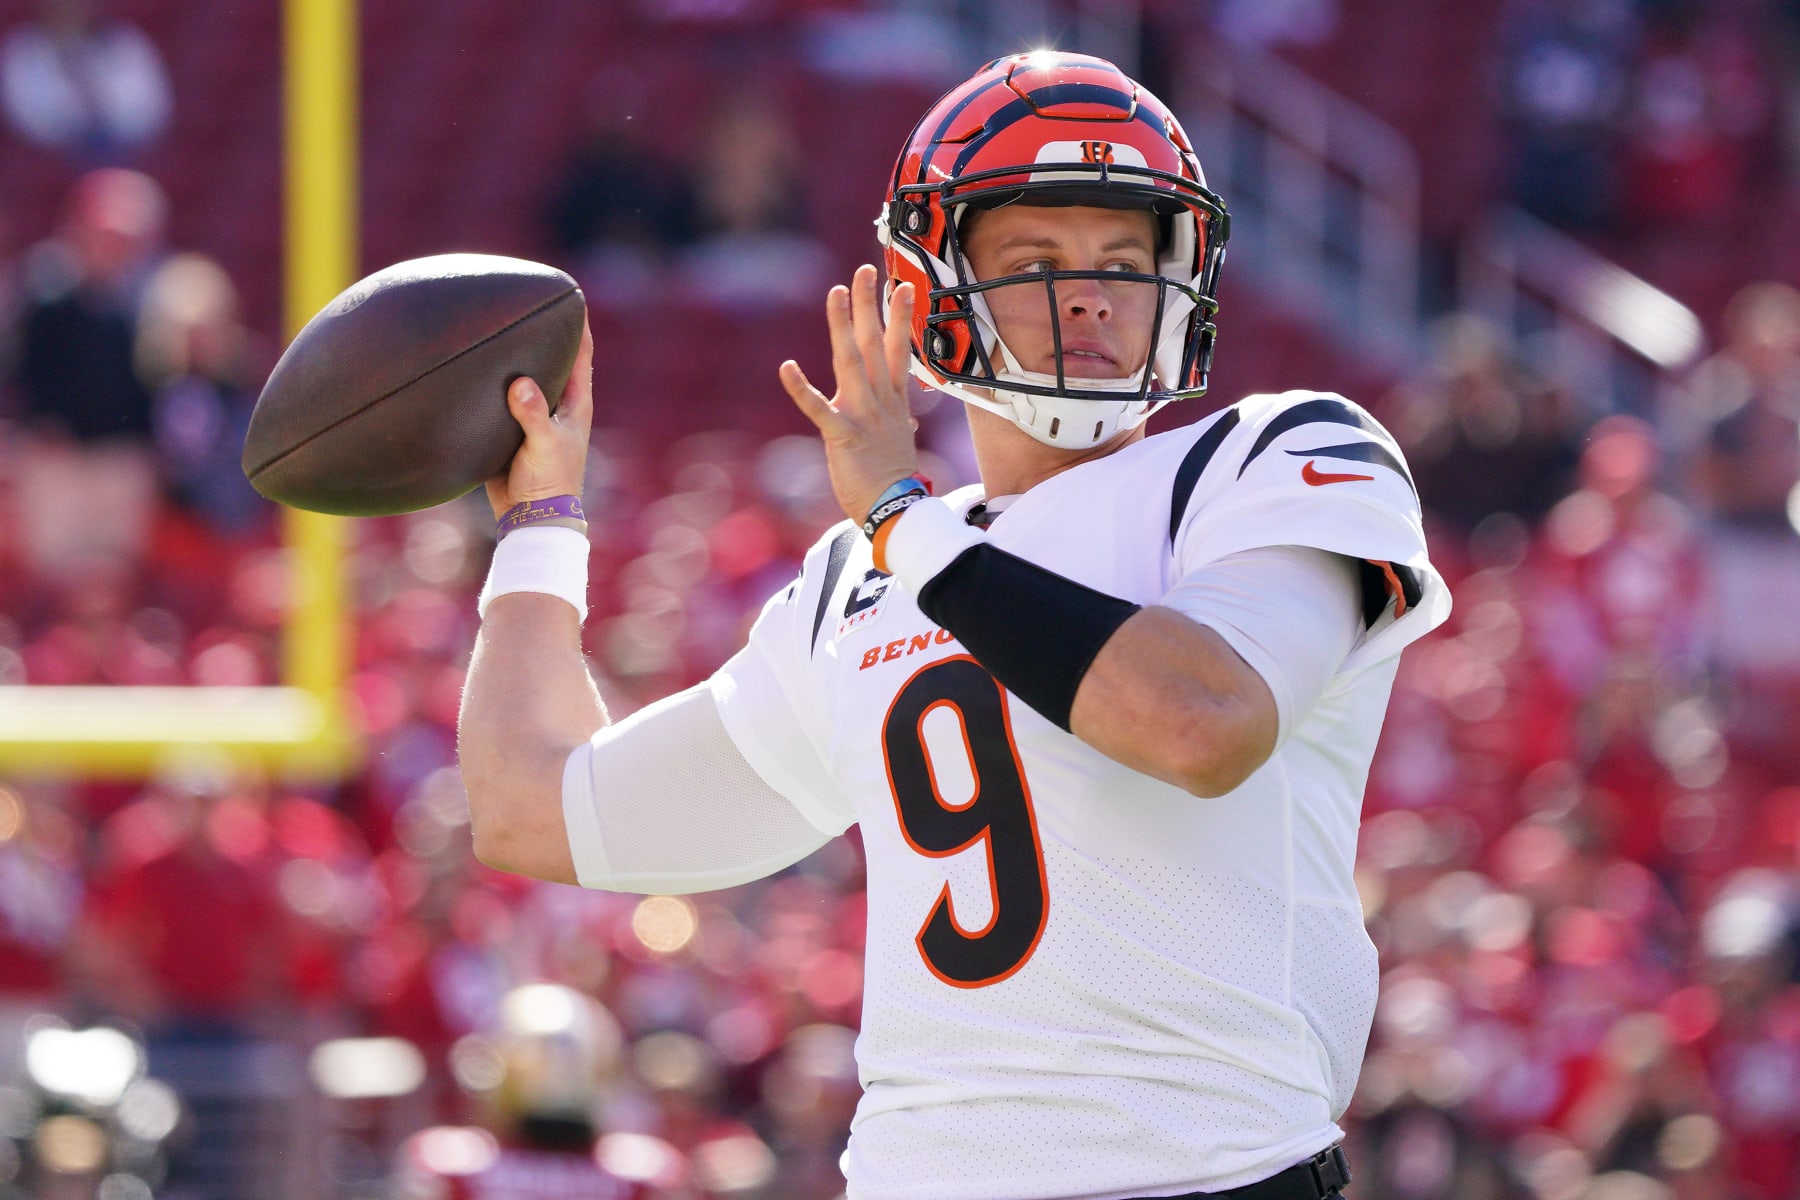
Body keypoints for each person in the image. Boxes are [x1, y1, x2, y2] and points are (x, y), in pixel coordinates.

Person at [459, 52, 1451, 1200]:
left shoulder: (1265, 457)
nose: (1093, 296)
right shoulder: (855, 583)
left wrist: (903, 520)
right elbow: (538, 811)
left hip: (1208, 1177)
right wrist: (540, 519)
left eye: (1127, 261)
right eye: (1038, 261)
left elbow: (1204, 722)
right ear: (927, 289)